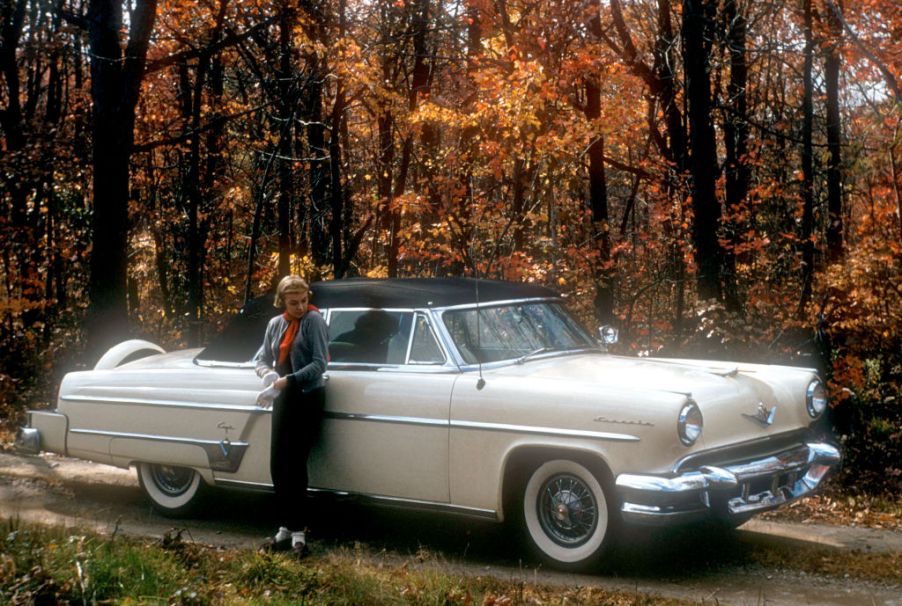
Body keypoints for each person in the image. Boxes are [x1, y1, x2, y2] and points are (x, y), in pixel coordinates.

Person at [253, 276, 328, 558]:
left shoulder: (314, 321)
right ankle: (285, 527)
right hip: (283, 397)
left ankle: (299, 534)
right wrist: (268, 375)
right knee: (278, 464)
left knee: (295, 464)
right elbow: (260, 358)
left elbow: (320, 363)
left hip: (307, 396)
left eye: (304, 301)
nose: (300, 307)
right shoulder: (276, 324)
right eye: (293, 302)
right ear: (282, 301)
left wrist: (289, 380)